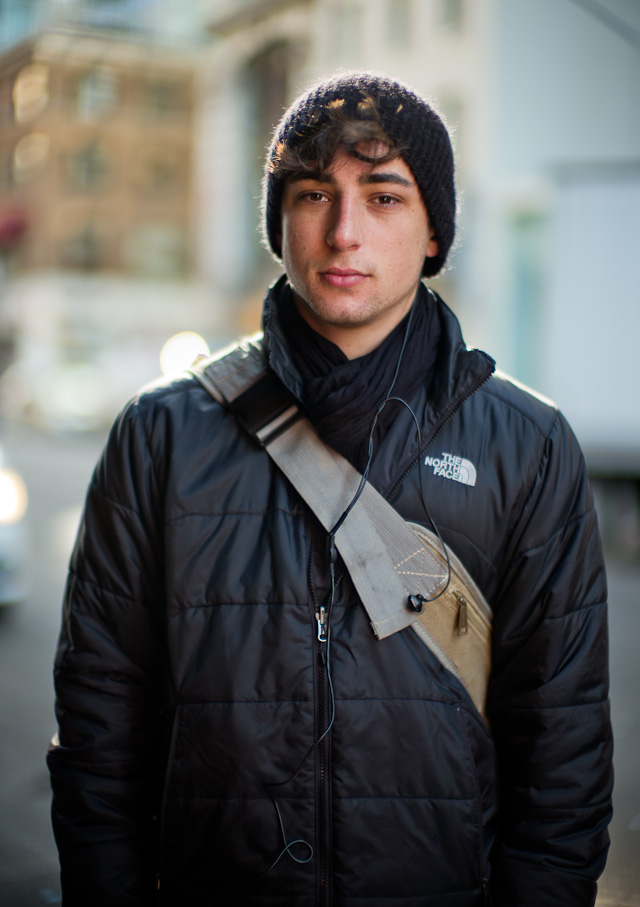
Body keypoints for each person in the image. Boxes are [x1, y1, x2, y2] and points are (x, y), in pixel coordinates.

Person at [47, 72, 613, 906]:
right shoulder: (161, 433)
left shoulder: (527, 445)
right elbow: (100, 725)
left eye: (384, 197)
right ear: (281, 223)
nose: (345, 231)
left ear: (433, 234)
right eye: (315, 193)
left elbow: (561, 748)